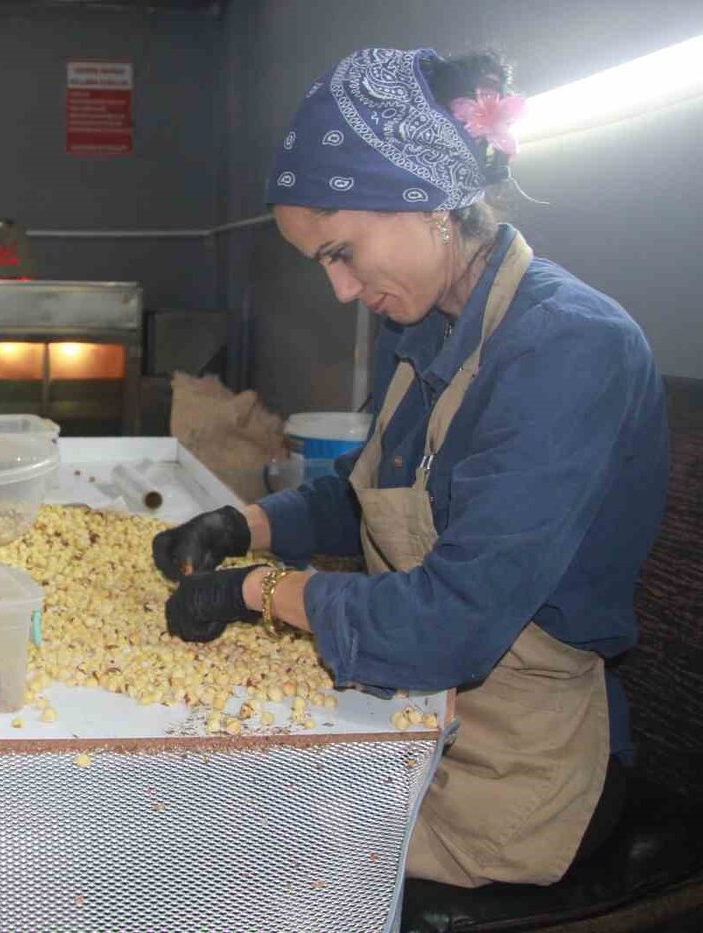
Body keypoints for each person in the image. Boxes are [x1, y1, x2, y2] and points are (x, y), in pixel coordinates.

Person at [154, 48, 668, 888]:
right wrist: (241, 524)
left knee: (235, 866)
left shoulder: (568, 349)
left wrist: (257, 592)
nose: (343, 292)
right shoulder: (422, 329)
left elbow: (452, 624)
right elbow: (370, 493)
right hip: (420, 718)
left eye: (341, 252)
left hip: (520, 771)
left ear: (427, 203)